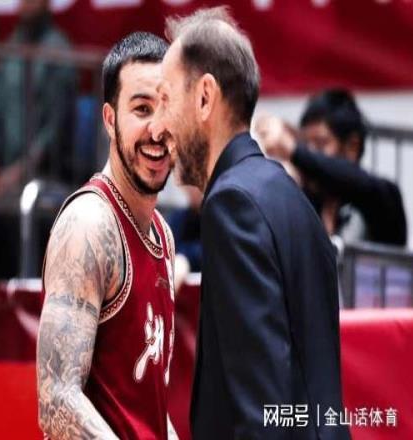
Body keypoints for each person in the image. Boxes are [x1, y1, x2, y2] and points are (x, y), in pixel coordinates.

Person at [150, 7, 350, 439]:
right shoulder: (286, 194)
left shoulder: (231, 204)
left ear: (205, 97)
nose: (160, 126)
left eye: (166, 99)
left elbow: (261, 412)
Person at [37, 32, 178, 439]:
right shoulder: (89, 225)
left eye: (167, 108)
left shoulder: (163, 235)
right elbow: (56, 399)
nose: (157, 128)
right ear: (110, 119)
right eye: (142, 109)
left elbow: (147, 411)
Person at [255, 89, 407, 247]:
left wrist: (293, 150)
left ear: (352, 147)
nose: (311, 152)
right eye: (306, 144)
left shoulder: (383, 196)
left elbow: (357, 181)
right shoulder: (307, 200)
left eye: (321, 143)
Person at [0, 0, 77, 197]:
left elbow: (56, 128)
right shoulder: (10, 48)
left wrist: (21, 170)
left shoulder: (58, 51)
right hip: (5, 170)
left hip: (46, 174)